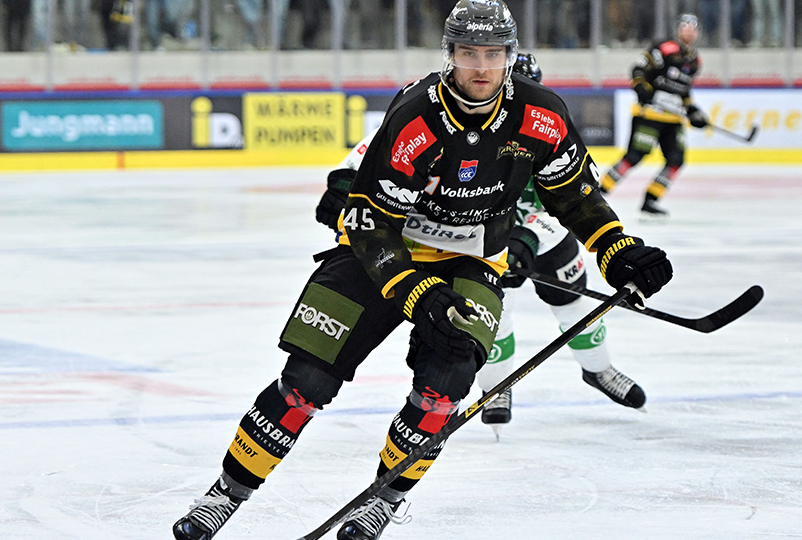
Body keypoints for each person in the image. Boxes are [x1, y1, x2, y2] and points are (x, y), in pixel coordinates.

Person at [172, 2, 673, 540]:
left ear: (509, 55)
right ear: (448, 55)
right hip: (386, 249)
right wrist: (417, 292)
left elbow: (574, 196)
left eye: (493, 54)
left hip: (473, 258)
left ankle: (383, 500)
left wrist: (616, 247)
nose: (481, 66)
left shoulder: (542, 115)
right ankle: (224, 495)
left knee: (444, 387)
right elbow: (369, 223)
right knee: (305, 381)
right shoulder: (416, 115)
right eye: (468, 53)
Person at [315, 52, 647, 440]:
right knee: (491, 311)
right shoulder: (445, 119)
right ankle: (497, 386)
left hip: (542, 235)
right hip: (482, 239)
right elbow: (374, 155)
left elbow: (570, 200)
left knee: (573, 303)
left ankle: (599, 368)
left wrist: (530, 238)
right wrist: (344, 186)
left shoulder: (540, 123)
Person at [599, 13, 708, 219]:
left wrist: (692, 110)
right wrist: (641, 88)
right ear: (678, 30)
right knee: (635, 156)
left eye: (693, 29)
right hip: (649, 114)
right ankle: (599, 193)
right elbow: (638, 69)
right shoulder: (664, 48)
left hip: (673, 118)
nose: (689, 32)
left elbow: (684, 91)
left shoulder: (695, 60)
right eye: (685, 27)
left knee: (676, 160)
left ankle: (651, 200)